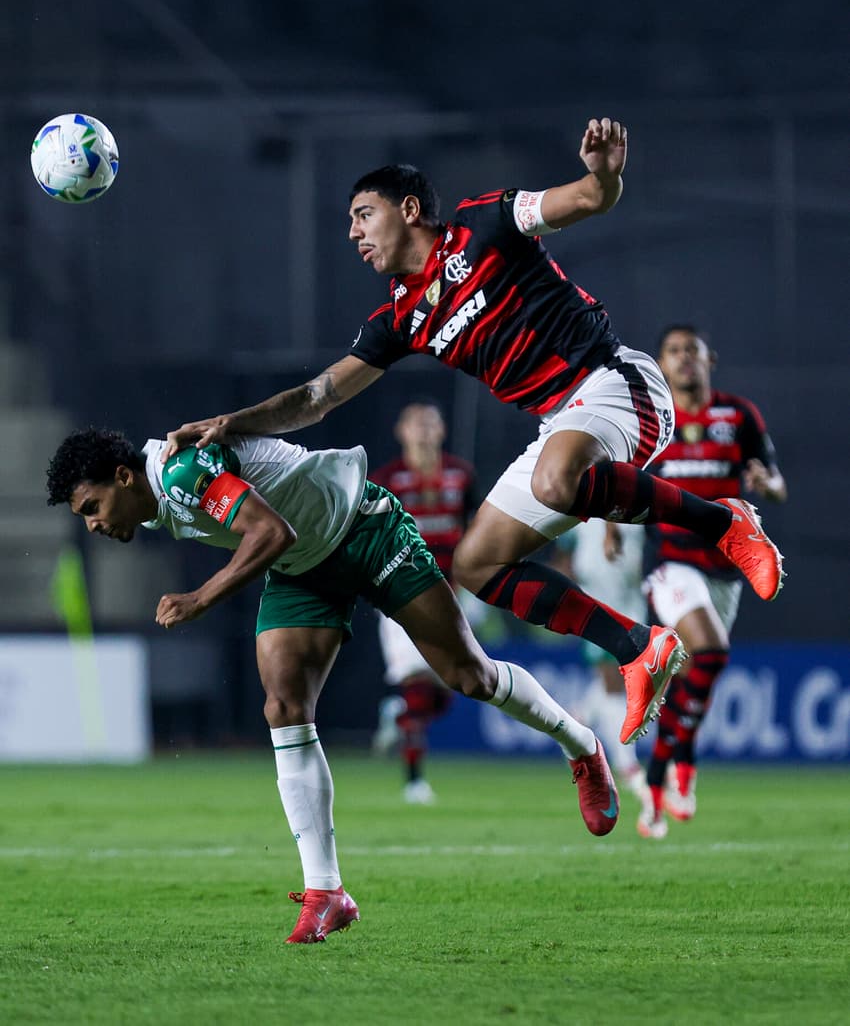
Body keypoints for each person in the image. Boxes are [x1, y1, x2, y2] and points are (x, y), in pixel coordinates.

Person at [162, 116, 785, 751]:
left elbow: (589, 199)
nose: (353, 231)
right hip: (562, 422)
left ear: (409, 209)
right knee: (477, 563)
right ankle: (637, 648)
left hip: (615, 383)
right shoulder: (399, 318)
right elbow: (316, 398)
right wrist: (229, 423)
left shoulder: (484, 221)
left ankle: (725, 523)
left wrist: (604, 174)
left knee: (556, 477)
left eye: (363, 214)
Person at [47, 428, 622, 946]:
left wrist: (200, 598)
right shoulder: (152, 497)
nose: (94, 524)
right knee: (284, 707)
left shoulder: (179, 473)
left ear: (123, 477)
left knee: (469, 675)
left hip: (364, 529)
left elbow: (271, 530)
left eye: (92, 508)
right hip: (302, 567)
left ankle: (581, 744)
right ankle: (327, 894)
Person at [635, 325, 788, 839]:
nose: (683, 361)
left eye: (692, 352)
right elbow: (623, 475)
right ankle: (664, 773)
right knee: (712, 652)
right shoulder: (653, 419)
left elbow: (776, 480)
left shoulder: (737, 415)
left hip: (728, 569)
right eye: (674, 352)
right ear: (661, 362)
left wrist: (769, 485)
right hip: (670, 563)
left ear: (709, 360)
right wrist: (612, 528)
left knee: (689, 679)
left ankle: (668, 775)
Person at [369, 399, 478, 805]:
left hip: (451, 594)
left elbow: (474, 529)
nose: (424, 431)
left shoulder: (461, 475)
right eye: (416, 424)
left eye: (431, 423)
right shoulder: (386, 480)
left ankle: (396, 714)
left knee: (444, 694)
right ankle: (414, 781)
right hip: (401, 595)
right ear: (401, 431)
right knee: (417, 686)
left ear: (442, 431)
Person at [552, 519, 651, 807]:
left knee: (623, 678)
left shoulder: (637, 494)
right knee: (613, 682)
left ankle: (577, 719)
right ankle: (628, 765)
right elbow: (565, 548)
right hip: (598, 589)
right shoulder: (589, 495)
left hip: (630, 589)